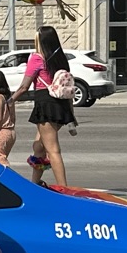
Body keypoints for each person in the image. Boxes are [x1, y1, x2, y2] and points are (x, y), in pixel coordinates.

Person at [22, 25, 77, 186]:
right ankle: (34, 184)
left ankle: (64, 188)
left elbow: (24, 85)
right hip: (60, 106)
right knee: (38, 147)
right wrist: (72, 116)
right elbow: (67, 88)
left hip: (45, 105)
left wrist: (10, 101)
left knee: (53, 150)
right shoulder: (60, 58)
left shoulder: (37, 58)